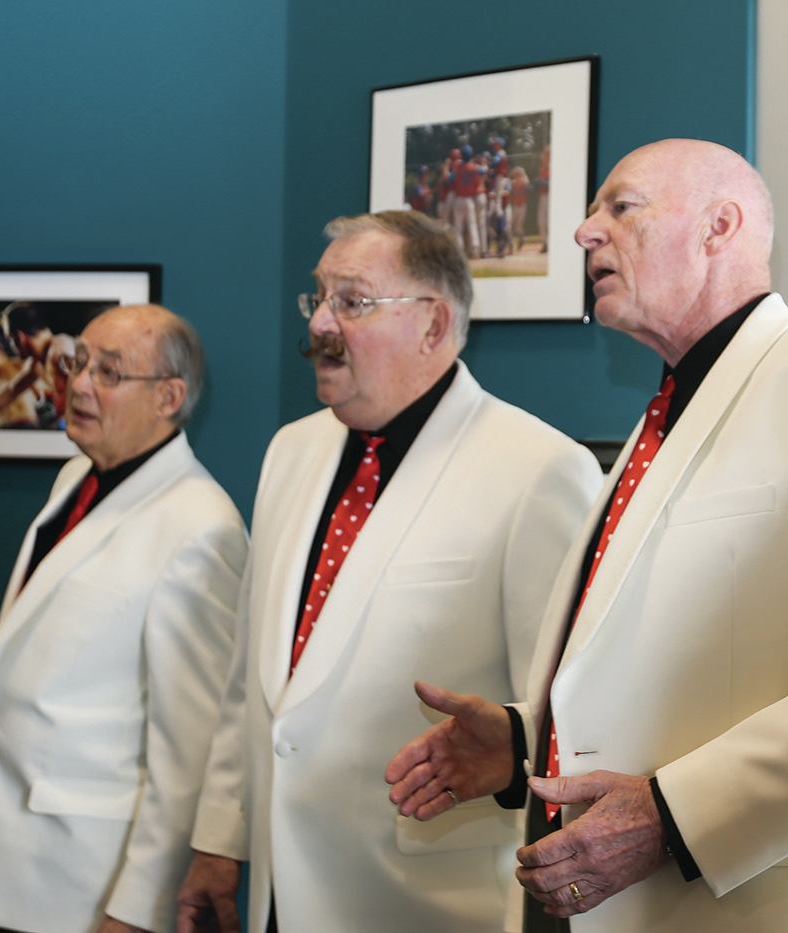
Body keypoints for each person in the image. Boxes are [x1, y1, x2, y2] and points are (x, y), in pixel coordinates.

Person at [386, 138, 788, 933]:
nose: (584, 232)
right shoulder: (662, 413)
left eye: (620, 207)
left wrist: (676, 815)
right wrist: (523, 741)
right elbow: (668, 667)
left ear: (720, 227)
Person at [177, 210, 600, 933]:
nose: (320, 324)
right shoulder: (290, 451)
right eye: (319, 298)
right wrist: (221, 839)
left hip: (426, 897)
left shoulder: (540, 469)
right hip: (279, 894)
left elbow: (570, 711)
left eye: (353, 301)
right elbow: (251, 675)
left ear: (433, 325)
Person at [0, 304, 248, 933]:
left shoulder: (201, 528)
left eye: (111, 373)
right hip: (18, 864)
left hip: (89, 890)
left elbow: (191, 752)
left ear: (169, 397)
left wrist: (138, 910)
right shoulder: (76, 477)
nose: (81, 385)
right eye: (79, 364)